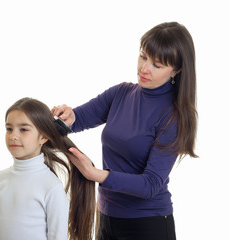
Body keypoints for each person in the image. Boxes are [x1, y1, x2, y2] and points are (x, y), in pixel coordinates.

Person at [51, 22, 198, 240]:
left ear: (176, 70)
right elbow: (79, 118)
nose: (144, 68)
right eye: (143, 56)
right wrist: (68, 117)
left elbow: (150, 184)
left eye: (157, 65)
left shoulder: (173, 117)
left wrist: (95, 175)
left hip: (147, 225)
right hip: (106, 218)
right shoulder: (121, 93)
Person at [0, 97, 96, 240]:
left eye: (24, 129)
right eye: (9, 129)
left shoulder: (51, 187)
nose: (13, 136)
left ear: (43, 137)